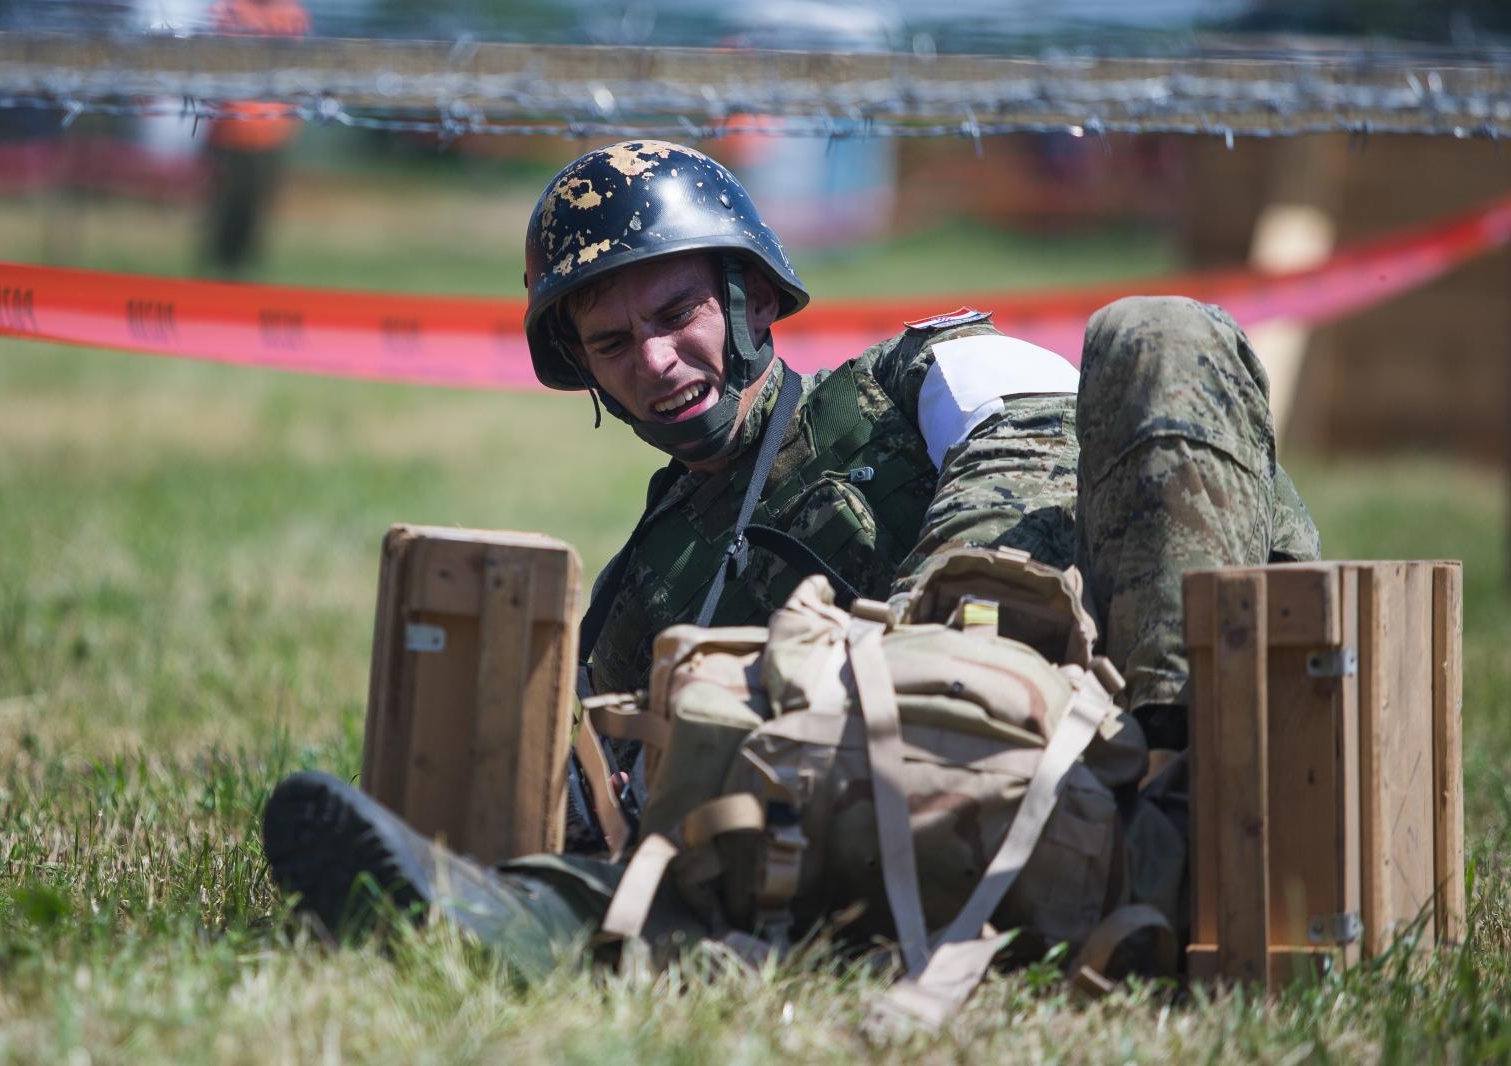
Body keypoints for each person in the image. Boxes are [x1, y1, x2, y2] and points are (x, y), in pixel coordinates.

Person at [262, 139, 1321, 973]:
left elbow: (1039, 448)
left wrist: (914, 654)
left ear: (753, 299)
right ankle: (503, 921)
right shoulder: (645, 589)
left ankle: (1189, 841)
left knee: (1160, 330)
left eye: (677, 315)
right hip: (887, 832)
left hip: (1125, 733)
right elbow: (628, 801)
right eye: (614, 344)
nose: (656, 364)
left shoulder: (919, 382)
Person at [202, 0, 309, 274]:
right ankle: (219, 275)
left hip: (273, 133)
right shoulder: (229, 9)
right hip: (230, 133)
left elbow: (298, 71)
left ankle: (244, 278)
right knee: (225, 211)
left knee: (257, 214)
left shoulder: (292, 12)